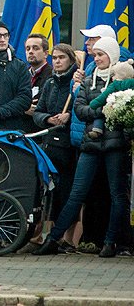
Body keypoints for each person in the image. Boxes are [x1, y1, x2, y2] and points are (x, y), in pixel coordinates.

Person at [34, 37, 130, 258]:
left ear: (112, 56)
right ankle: (53, 239)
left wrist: (100, 109)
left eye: (101, 54)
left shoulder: (123, 80)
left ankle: (110, 241)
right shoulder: (87, 81)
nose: (96, 59)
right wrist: (105, 109)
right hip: (90, 144)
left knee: (117, 195)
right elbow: (81, 111)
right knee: (77, 193)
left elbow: (125, 111)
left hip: (115, 145)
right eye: (95, 55)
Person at [22, 44, 79, 253]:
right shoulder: (51, 83)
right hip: (49, 144)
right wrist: (47, 118)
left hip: (69, 145)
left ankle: (66, 238)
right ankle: (42, 235)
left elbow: (81, 107)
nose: (57, 61)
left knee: (66, 192)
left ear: (71, 60)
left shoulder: (76, 83)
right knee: (48, 193)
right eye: (54, 58)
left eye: (62, 57)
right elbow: (38, 113)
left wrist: (69, 116)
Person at [0, 20, 32, 135]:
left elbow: (24, 99)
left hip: (9, 130)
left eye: (6, 35)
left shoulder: (19, 66)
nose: (2, 39)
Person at [22, 33, 53, 133]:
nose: (31, 52)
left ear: (45, 53)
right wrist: (23, 107)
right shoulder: (21, 75)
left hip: (41, 132)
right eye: (28, 49)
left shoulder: (53, 77)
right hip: (21, 129)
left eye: (35, 48)